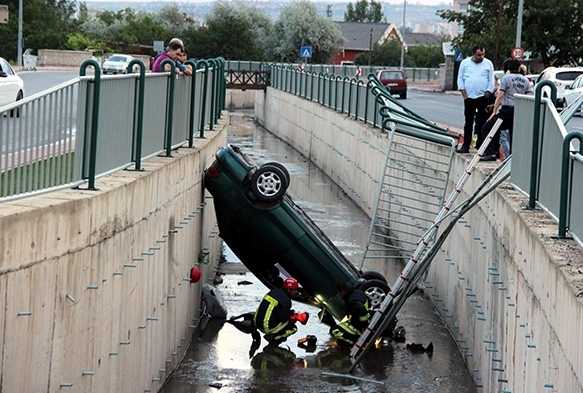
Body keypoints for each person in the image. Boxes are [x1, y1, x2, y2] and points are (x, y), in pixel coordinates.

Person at [480, 59, 533, 161]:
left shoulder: (506, 78)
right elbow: (528, 96)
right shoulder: (526, 80)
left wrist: (494, 111)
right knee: (514, 135)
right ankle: (514, 159)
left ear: (509, 68)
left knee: (487, 127)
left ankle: (490, 152)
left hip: (506, 111)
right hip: (519, 111)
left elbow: (500, 96)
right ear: (519, 68)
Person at [456, 45, 495, 153]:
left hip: (482, 97)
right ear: (473, 54)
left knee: (482, 122)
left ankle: (481, 146)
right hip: (469, 97)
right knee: (468, 122)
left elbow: (491, 79)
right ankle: (466, 145)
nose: (481, 57)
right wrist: (464, 93)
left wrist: (488, 92)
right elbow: (460, 78)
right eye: (479, 55)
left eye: (483, 54)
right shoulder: (465, 63)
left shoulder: (488, 63)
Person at [253, 277, 301, 345]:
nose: (296, 292)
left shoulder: (273, 291)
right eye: (295, 290)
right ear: (289, 290)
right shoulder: (286, 301)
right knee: (293, 328)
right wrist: (291, 315)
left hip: (257, 323)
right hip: (267, 327)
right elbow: (282, 318)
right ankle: (274, 338)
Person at [330, 282, 371, 346]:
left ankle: (353, 341)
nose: (340, 295)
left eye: (339, 293)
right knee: (343, 325)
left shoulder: (352, 301)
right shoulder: (357, 292)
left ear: (342, 291)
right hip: (367, 319)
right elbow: (368, 301)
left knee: (334, 330)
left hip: (359, 326)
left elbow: (361, 309)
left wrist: (364, 326)